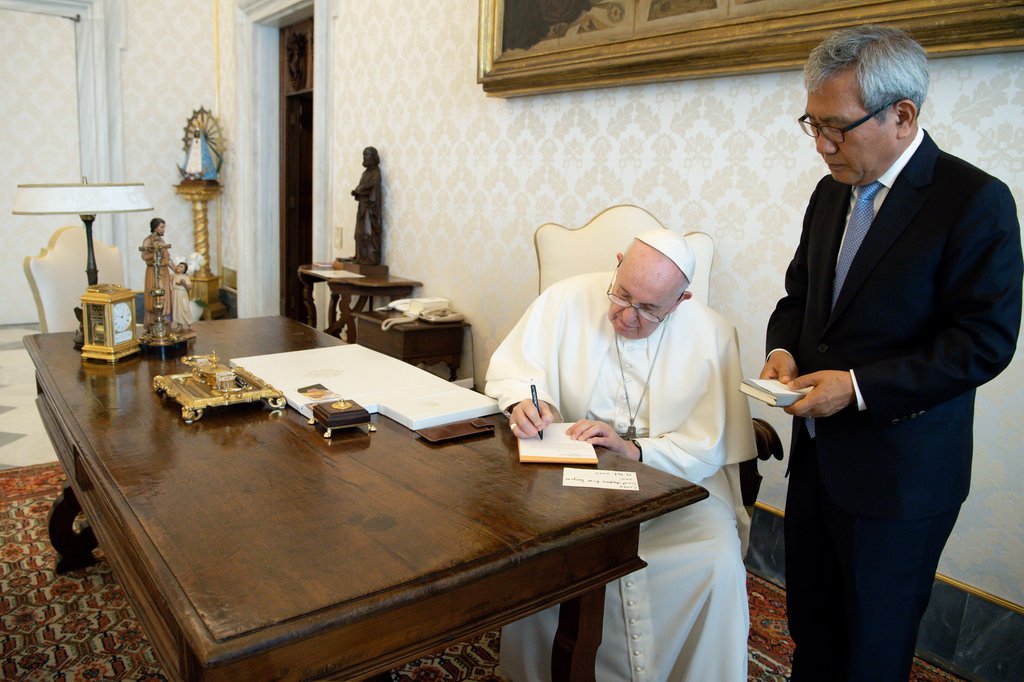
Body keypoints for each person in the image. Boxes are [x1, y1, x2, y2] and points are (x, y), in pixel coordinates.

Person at [760, 25, 1022, 681]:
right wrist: (783, 351)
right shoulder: (830, 193)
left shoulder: (974, 201)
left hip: (902, 474)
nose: (821, 146)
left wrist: (857, 386)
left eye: (836, 128)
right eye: (810, 124)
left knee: (873, 651)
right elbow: (800, 299)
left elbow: (983, 342)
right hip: (818, 461)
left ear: (902, 115)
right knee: (813, 631)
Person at [486, 230, 755, 681]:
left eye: (648, 309)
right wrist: (526, 404)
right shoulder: (563, 300)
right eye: (621, 294)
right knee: (538, 548)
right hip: (571, 478)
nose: (625, 316)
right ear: (617, 264)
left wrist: (635, 449)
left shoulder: (714, 334)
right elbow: (515, 372)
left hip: (676, 481)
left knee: (714, 556)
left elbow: (706, 444)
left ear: (681, 299)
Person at [140, 218, 174, 331]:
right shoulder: (147, 240)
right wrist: (155, 253)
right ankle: (152, 326)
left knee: (165, 297)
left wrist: (176, 269)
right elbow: (144, 256)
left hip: (164, 272)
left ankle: (165, 325)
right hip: (153, 271)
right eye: (161, 227)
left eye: (164, 227)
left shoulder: (162, 240)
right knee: (153, 296)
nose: (163, 229)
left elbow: (167, 258)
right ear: (155, 228)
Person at [351, 146, 382, 265]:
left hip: (370, 208)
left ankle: (370, 258)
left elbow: (371, 188)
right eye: (363, 155)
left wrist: (359, 191)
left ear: (373, 157)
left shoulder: (376, 172)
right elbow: (362, 187)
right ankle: (360, 256)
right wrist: (357, 191)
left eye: (366, 155)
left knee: (367, 233)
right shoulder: (365, 173)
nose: (364, 158)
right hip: (362, 207)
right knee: (358, 233)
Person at [170, 261, 194, 332]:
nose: (178, 267)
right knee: (177, 310)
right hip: (175, 294)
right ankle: (179, 325)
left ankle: (190, 324)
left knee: (185, 309)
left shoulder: (185, 277)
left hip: (182, 294)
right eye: (178, 266)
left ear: (185, 269)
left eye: (181, 267)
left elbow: (189, 287)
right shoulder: (174, 276)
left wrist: (183, 284)